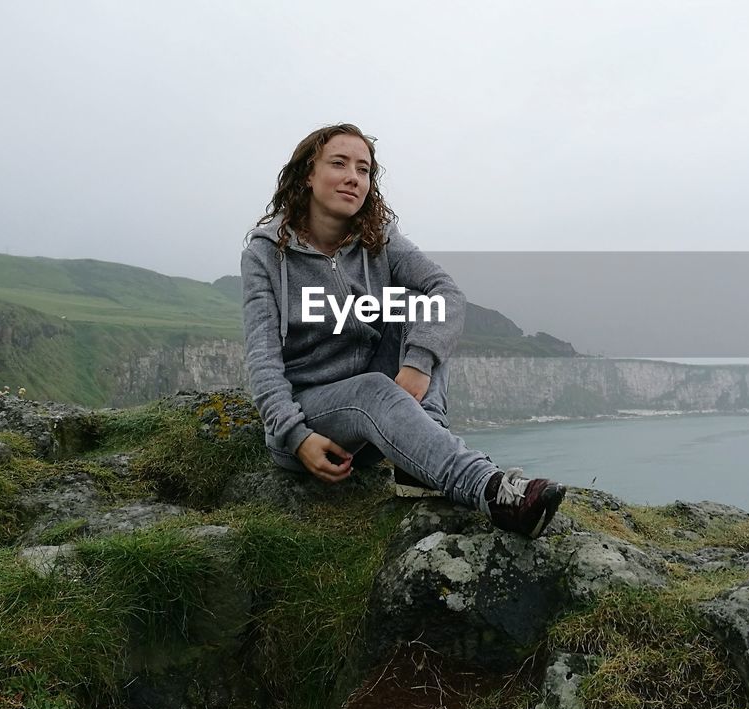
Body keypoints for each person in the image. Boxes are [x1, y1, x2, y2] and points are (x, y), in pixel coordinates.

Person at [239, 123, 565, 539]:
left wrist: (419, 361)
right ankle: (491, 490)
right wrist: (295, 436)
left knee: (422, 304)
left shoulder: (379, 238)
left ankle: (420, 465)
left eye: (364, 169)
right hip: (313, 421)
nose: (353, 177)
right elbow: (263, 358)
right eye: (338, 164)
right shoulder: (266, 255)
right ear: (308, 174)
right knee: (372, 387)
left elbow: (446, 292)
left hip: (381, 416)